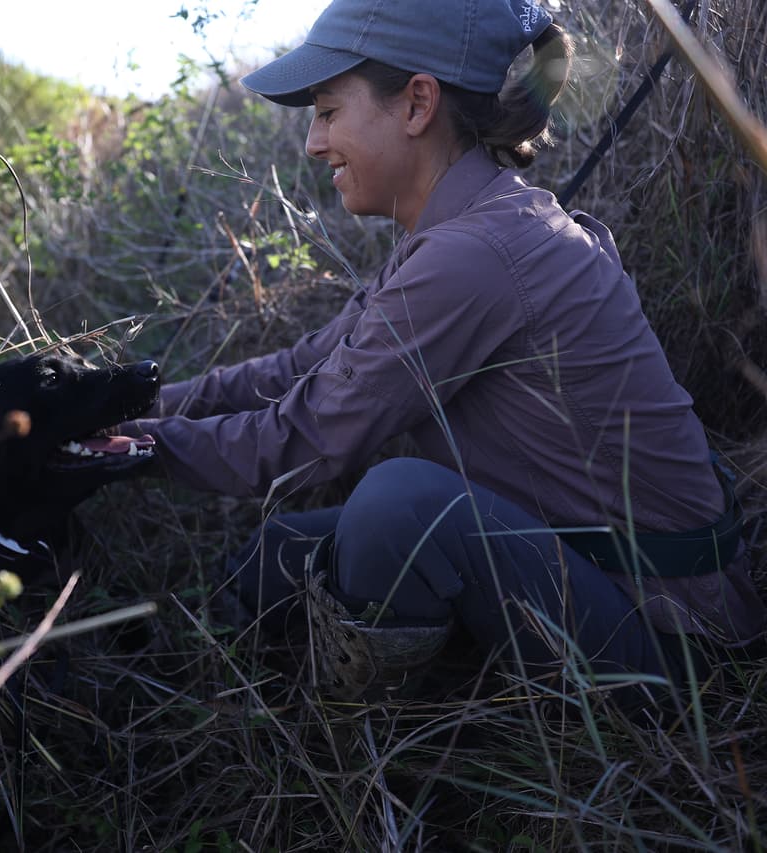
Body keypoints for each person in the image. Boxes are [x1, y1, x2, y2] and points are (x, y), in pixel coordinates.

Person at [118, 0, 767, 705]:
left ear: (418, 104)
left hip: (673, 646)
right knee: (285, 548)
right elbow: (304, 365)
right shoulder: (463, 230)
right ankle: (189, 691)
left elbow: (300, 440)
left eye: (328, 111)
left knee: (398, 505)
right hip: (594, 577)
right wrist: (132, 403)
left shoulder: (474, 254)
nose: (312, 141)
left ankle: (365, 755)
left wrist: (126, 450)